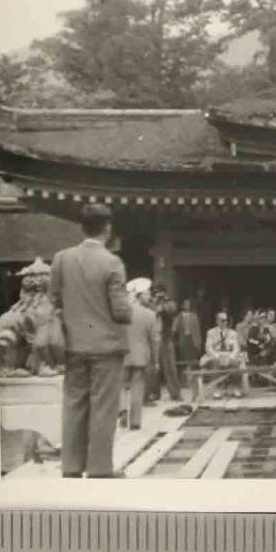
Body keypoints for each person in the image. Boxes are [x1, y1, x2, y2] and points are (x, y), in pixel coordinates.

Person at [49, 204, 132, 479]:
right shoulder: (112, 263)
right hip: (107, 347)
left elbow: (55, 299)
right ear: (107, 230)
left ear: (81, 228)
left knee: (74, 403)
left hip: (73, 344)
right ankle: (99, 468)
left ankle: (71, 466)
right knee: (103, 408)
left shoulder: (61, 258)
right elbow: (121, 312)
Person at [122, 285, 160, 429]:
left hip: (122, 354)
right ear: (139, 295)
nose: (150, 296)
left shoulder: (121, 313)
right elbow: (154, 340)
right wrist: (155, 360)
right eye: (147, 293)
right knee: (137, 387)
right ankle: (135, 421)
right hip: (140, 355)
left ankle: (122, 410)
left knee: (121, 385)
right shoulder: (150, 314)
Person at [203, 310, 244, 398]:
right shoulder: (211, 332)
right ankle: (218, 389)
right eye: (222, 320)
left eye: (226, 320)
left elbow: (236, 348)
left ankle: (235, 387)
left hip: (229, 355)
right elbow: (208, 347)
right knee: (215, 364)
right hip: (216, 354)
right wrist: (217, 357)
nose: (225, 322)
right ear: (217, 321)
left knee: (235, 364)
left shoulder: (233, 333)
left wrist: (231, 357)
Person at [152, 288, 182, 402]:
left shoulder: (169, 302)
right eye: (155, 294)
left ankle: (175, 393)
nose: (158, 296)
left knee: (170, 366)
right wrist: (155, 304)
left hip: (165, 337)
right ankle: (153, 393)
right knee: (152, 367)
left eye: (160, 294)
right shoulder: (150, 303)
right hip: (153, 338)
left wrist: (163, 305)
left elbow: (173, 309)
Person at [172, 298, 203, 372]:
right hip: (183, 339)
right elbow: (173, 328)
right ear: (182, 305)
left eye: (188, 304)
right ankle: (185, 374)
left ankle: (192, 373)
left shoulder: (194, 315)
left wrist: (198, 342)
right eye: (185, 304)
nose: (187, 305)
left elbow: (197, 330)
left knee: (193, 357)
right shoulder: (178, 316)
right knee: (184, 357)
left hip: (192, 339)